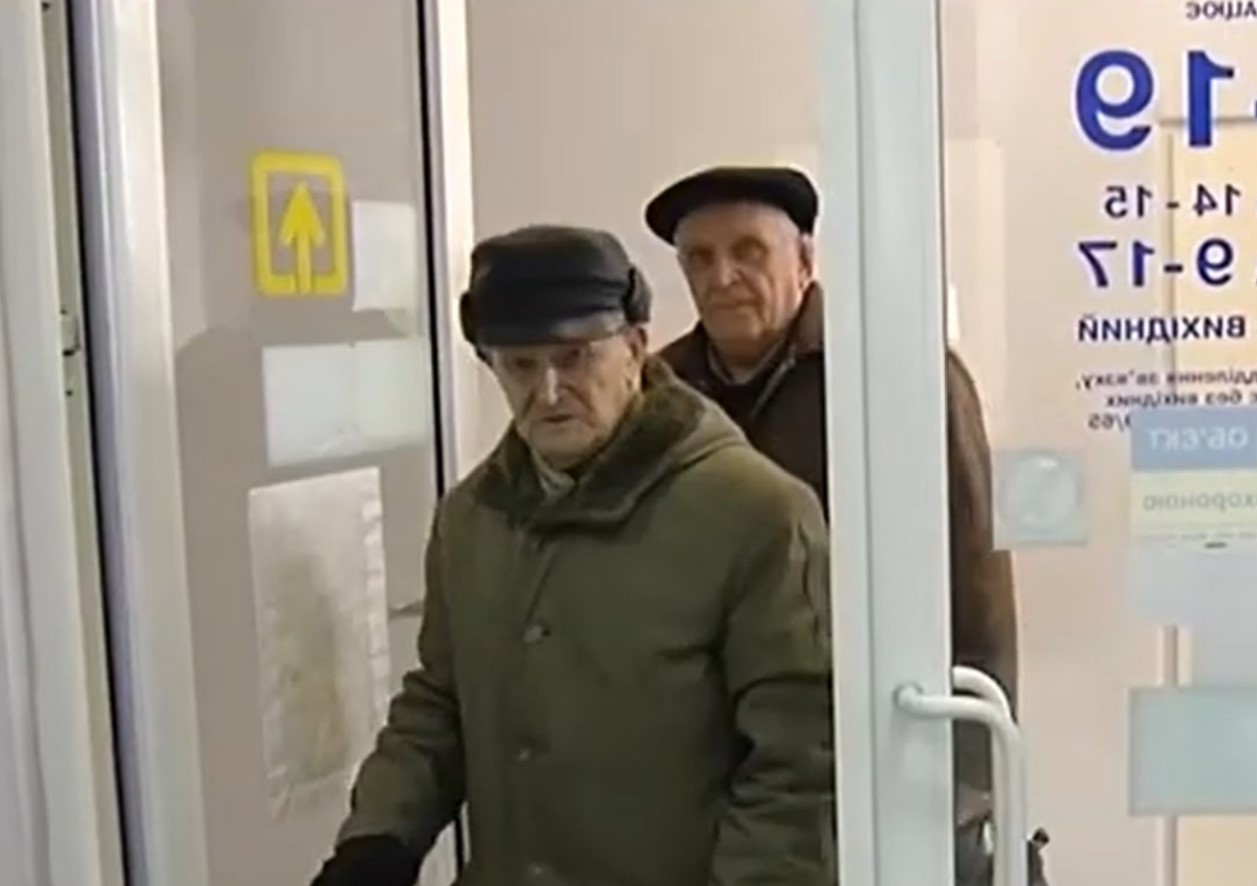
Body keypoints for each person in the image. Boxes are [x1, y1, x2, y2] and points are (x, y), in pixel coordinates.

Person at [310, 224, 836, 886]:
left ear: (635, 349)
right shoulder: (472, 519)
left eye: (576, 358)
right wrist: (377, 840)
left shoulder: (756, 515)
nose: (551, 391)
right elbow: (440, 703)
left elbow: (799, 762)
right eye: (521, 366)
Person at [645, 166, 1018, 789]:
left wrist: (971, 781)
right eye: (700, 259)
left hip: (872, 737)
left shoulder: (897, 371)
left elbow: (973, 575)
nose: (722, 277)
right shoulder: (659, 394)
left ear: (805, 261)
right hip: (710, 754)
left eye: (748, 251)